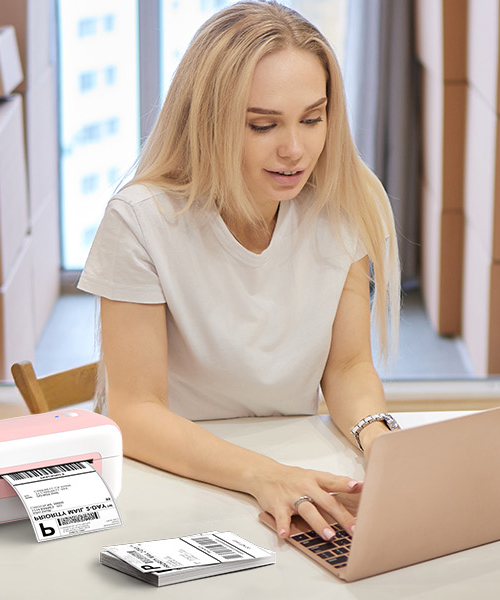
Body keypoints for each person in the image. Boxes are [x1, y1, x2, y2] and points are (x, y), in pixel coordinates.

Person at [76, 1, 401, 543]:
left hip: (289, 472)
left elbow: (346, 368)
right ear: (209, 122)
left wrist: (381, 439)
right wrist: (262, 475)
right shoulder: (141, 220)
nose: (295, 149)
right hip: (177, 477)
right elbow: (133, 411)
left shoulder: (342, 208)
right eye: (262, 125)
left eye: (313, 118)